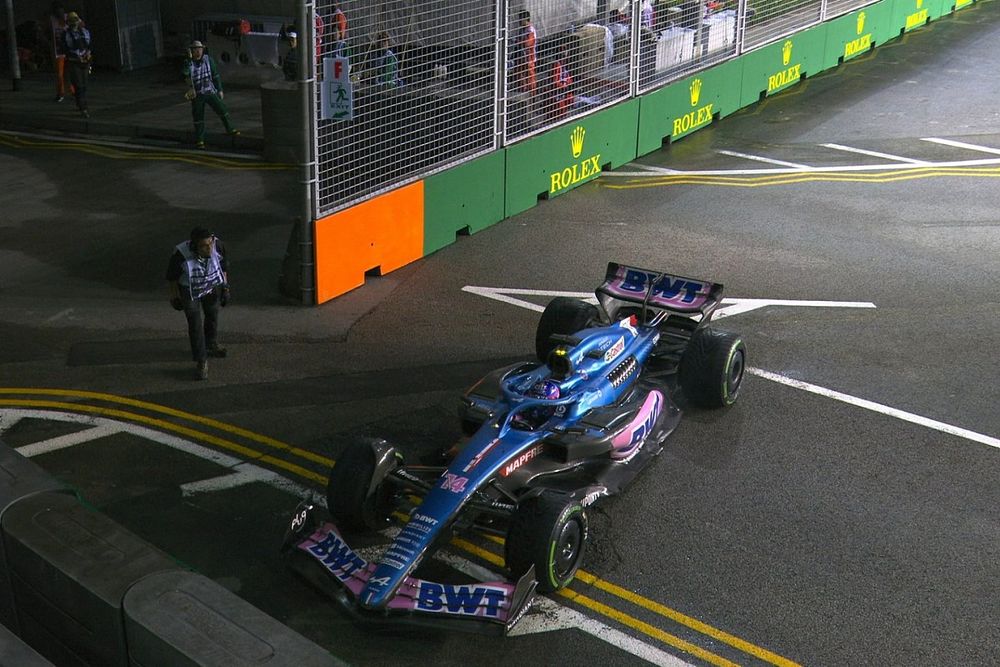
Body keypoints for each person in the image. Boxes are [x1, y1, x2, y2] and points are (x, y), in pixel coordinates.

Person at [166, 228, 230, 381]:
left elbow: (223, 267)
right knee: (195, 324)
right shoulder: (181, 254)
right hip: (190, 290)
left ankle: (211, 343)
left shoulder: (217, 246)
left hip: (210, 285)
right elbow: (172, 277)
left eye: (210, 244)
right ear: (194, 246)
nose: (209, 249)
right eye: (203, 246)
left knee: (212, 315)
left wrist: (225, 287)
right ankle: (201, 360)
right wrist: (174, 296)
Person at [183, 40, 240, 149]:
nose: (198, 52)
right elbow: (185, 73)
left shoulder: (208, 60)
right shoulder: (188, 63)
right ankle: (200, 140)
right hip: (197, 94)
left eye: (200, 49)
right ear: (191, 51)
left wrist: (220, 89)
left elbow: (215, 75)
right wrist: (189, 60)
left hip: (210, 91)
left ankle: (230, 129)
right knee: (198, 117)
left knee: (222, 109)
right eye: (195, 50)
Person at [62, 11, 91, 118]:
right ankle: (83, 108)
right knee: (78, 85)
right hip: (74, 62)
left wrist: (88, 53)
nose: (74, 23)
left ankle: (81, 104)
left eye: (75, 20)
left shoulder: (84, 32)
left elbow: (88, 45)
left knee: (84, 84)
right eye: (72, 21)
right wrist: (75, 55)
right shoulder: (66, 34)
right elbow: (65, 49)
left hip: (85, 61)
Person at [513, 10, 536, 95]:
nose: (519, 21)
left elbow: (528, 43)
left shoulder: (530, 30)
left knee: (529, 76)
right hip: (521, 56)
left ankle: (532, 94)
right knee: (519, 74)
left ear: (525, 19)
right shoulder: (522, 30)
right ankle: (522, 90)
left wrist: (518, 41)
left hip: (528, 58)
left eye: (520, 19)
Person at [549, 39, 574, 120]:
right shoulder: (557, 65)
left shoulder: (564, 65)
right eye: (563, 50)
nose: (565, 52)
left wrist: (570, 84)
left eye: (565, 49)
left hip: (564, 92)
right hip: (557, 94)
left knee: (571, 99)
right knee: (561, 111)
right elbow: (555, 82)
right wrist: (565, 87)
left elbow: (568, 78)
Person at [49, 4, 67, 101]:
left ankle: (73, 91)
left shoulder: (69, 17)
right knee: (60, 74)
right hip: (59, 52)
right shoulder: (52, 20)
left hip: (68, 51)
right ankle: (61, 93)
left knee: (70, 73)